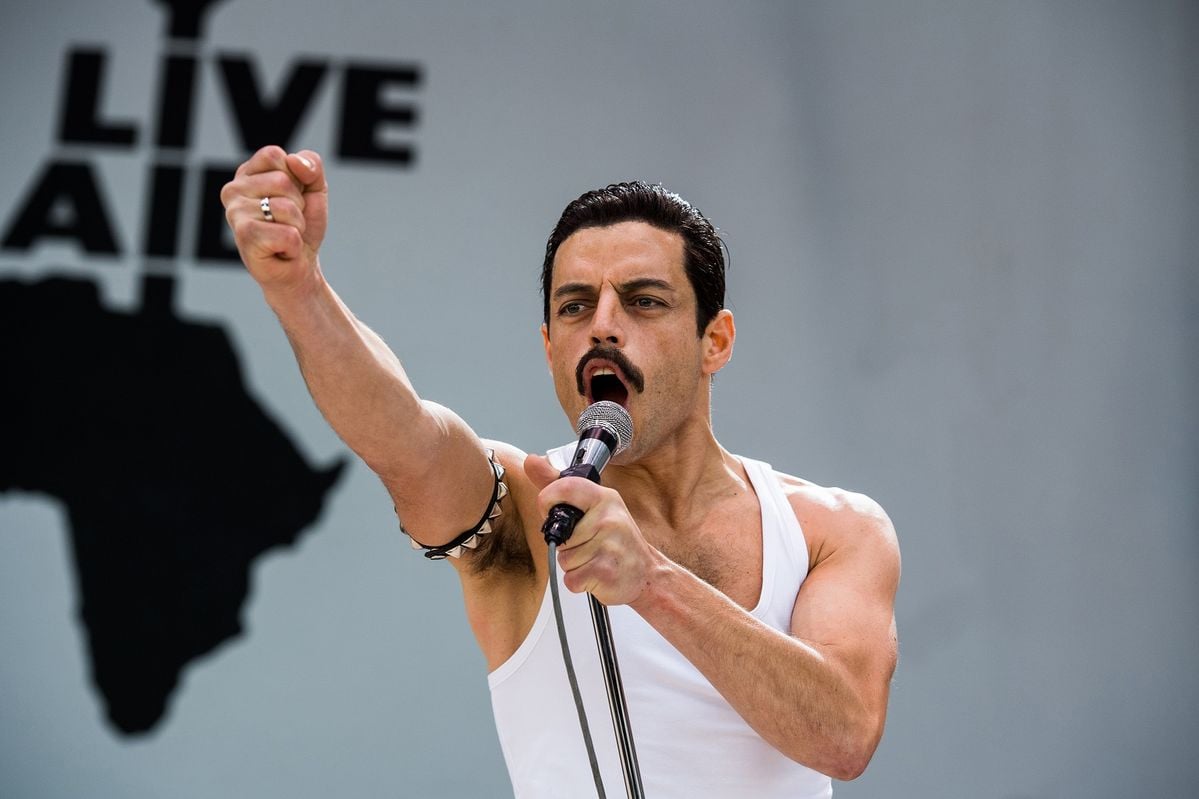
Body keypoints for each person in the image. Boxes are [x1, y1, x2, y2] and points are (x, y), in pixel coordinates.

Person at [221, 146, 900, 798]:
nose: (603, 326)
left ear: (714, 341)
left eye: (643, 300)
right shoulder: (523, 507)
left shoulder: (831, 530)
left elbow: (843, 737)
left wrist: (652, 582)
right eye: (574, 306)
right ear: (550, 347)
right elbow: (405, 437)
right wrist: (299, 289)